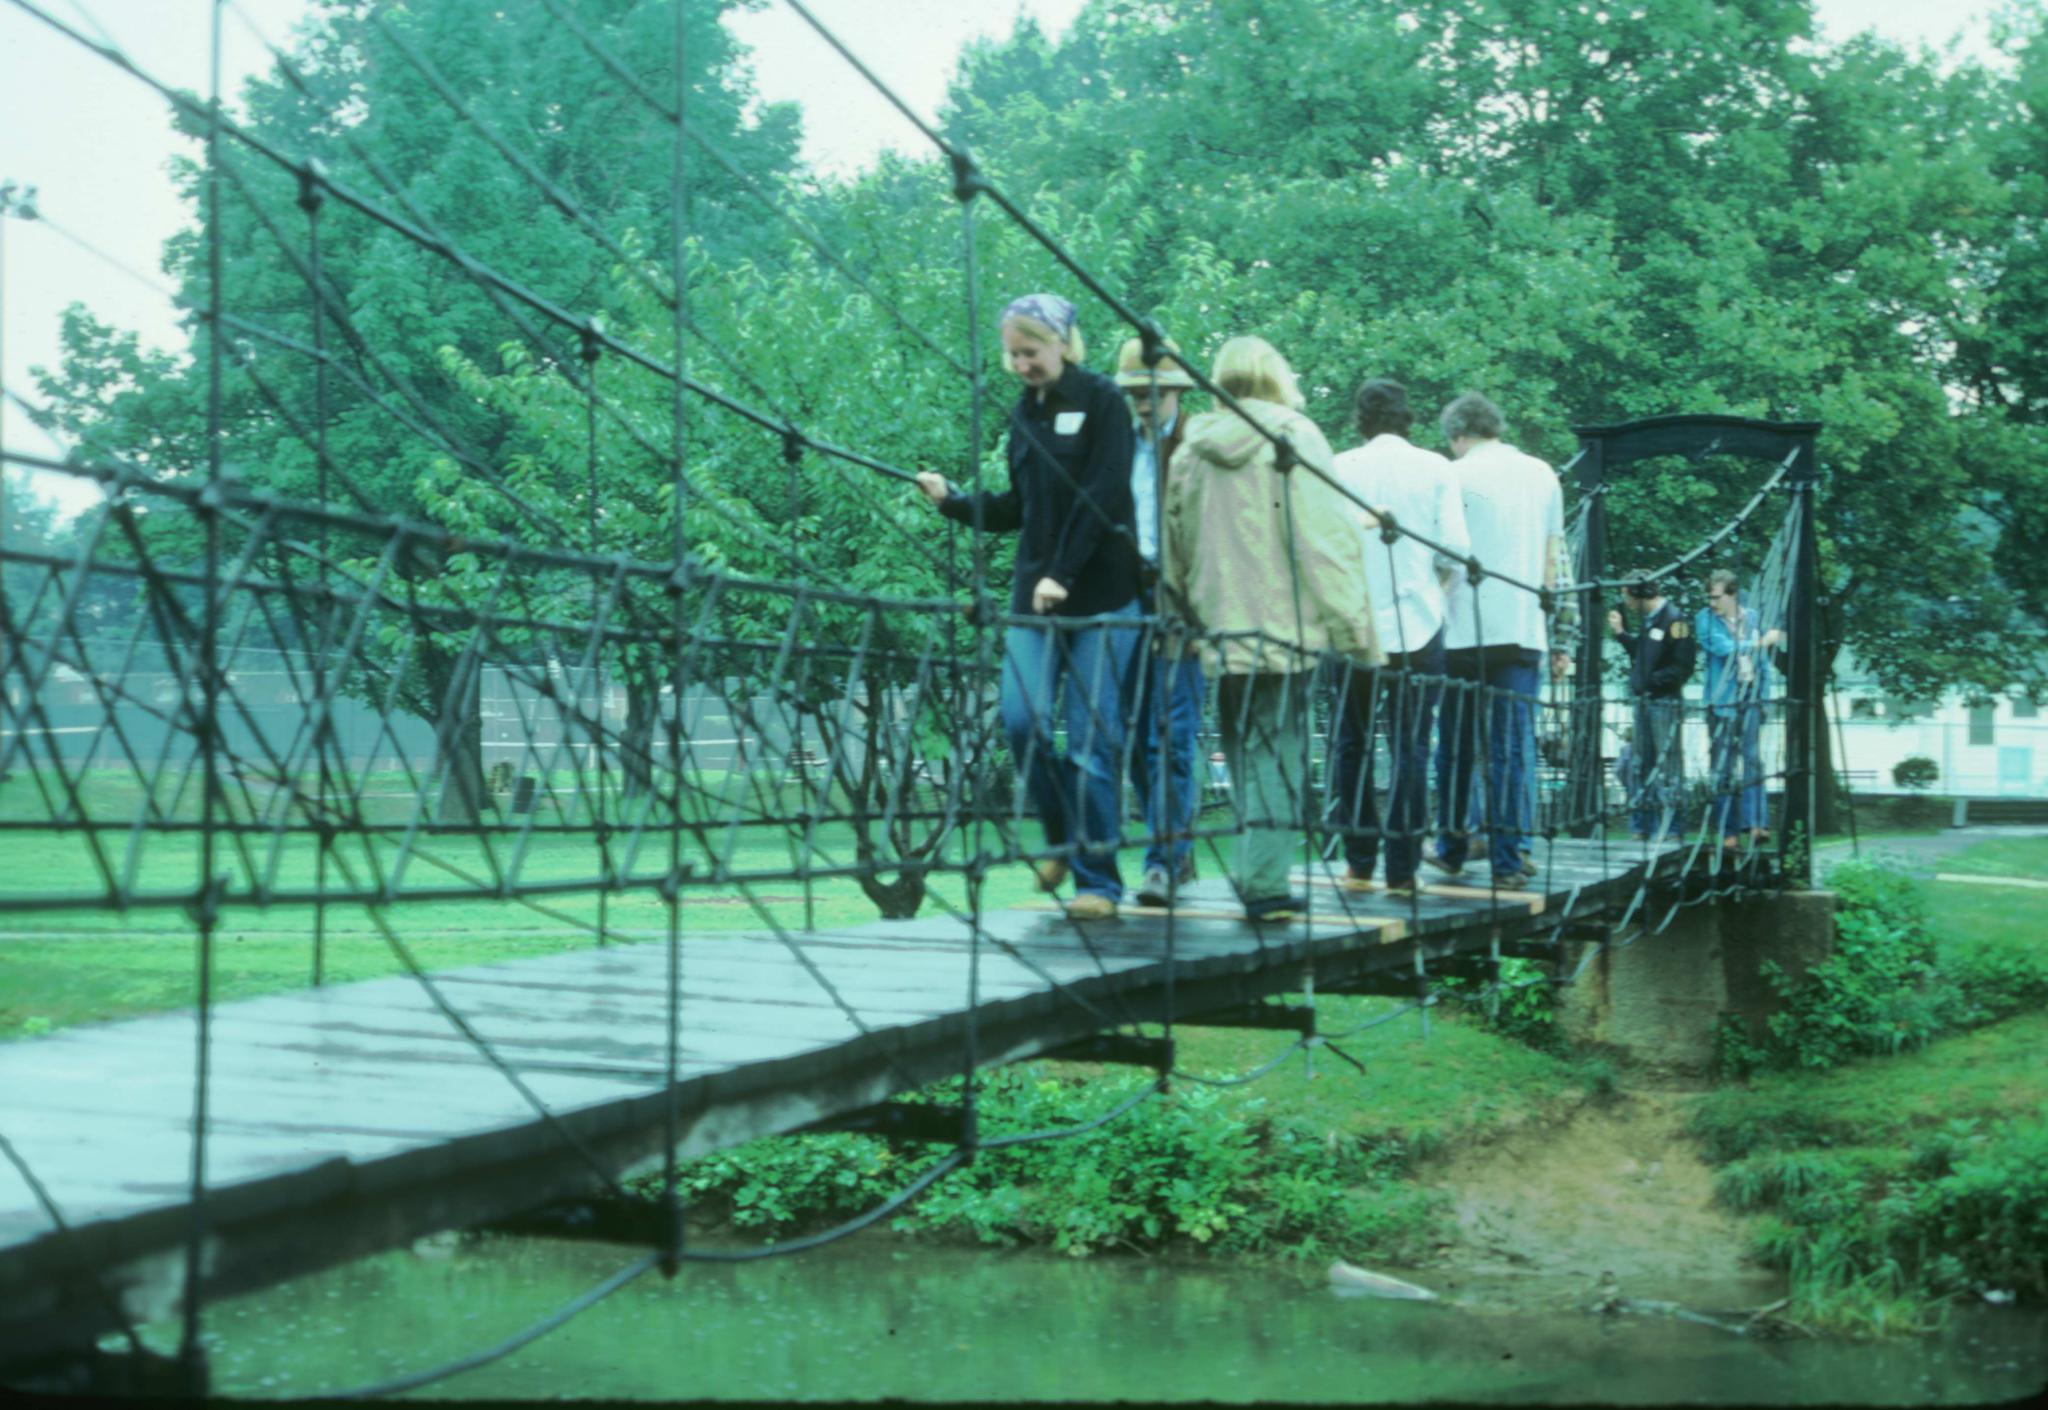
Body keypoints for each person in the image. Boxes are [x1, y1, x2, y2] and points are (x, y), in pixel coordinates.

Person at [914, 294, 1140, 919]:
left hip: (1100, 597)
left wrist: (1062, 573)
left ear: (1064, 343)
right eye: (1012, 354)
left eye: (1030, 352)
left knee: (1094, 741)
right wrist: (953, 502)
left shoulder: (1103, 402)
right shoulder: (1025, 413)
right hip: (1034, 597)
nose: (1019, 365)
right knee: (1021, 720)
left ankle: (1097, 884)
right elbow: (1021, 508)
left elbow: (1104, 492)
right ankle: (1063, 836)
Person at [1162, 336, 1380, 923]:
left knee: (1241, 750)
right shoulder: (1295, 436)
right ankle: (1264, 883)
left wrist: (1180, 611)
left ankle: (1254, 867)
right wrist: (1356, 631)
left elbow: (1173, 542)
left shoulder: (1192, 447)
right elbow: (1325, 540)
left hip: (1220, 629)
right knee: (1279, 752)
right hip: (1286, 632)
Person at [1327, 378, 1469, 896]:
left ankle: (1358, 862)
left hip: (1353, 626)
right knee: (1411, 747)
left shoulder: (1338, 467)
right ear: (1407, 418)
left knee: (1350, 743)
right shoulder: (1436, 468)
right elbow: (1454, 547)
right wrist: (1428, 581)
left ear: (1360, 419)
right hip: (1418, 625)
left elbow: (1326, 544)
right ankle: (1403, 870)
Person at [1427, 393, 1564, 889]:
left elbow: (1442, 559)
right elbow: (1552, 564)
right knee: (1511, 748)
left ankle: (1451, 848)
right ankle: (1511, 858)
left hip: (1464, 632)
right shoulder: (1544, 474)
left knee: (1456, 748)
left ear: (1458, 435)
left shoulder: (1452, 475)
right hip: (1523, 631)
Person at [1112, 335, 1206, 909]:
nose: (1145, 404)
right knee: (1128, 738)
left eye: (1155, 392)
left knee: (1168, 736)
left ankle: (1162, 864)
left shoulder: (1200, 445)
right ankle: (1178, 845)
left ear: (1175, 391)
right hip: (1124, 601)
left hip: (1181, 604)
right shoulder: (1116, 447)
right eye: (1135, 395)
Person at [1608, 574, 1697, 842]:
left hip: (1663, 703)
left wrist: (1651, 682)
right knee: (1640, 763)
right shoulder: (1650, 622)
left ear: (1639, 594)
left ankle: (1672, 828)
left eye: (1627, 595)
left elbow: (1684, 666)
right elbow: (1644, 655)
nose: (1626, 601)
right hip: (1645, 702)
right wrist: (1622, 635)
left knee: (1667, 764)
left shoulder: (1676, 620)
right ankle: (1641, 826)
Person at [1697, 569, 1782, 849]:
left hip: (1751, 701)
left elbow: (1762, 665)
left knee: (1753, 762)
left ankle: (1756, 824)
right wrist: (1761, 643)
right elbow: (1726, 650)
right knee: (1723, 769)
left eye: (1717, 597)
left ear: (1732, 594)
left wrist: (1764, 697)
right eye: (1709, 597)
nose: (1712, 602)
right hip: (1721, 705)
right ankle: (1727, 832)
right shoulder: (1704, 620)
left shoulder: (1754, 618)